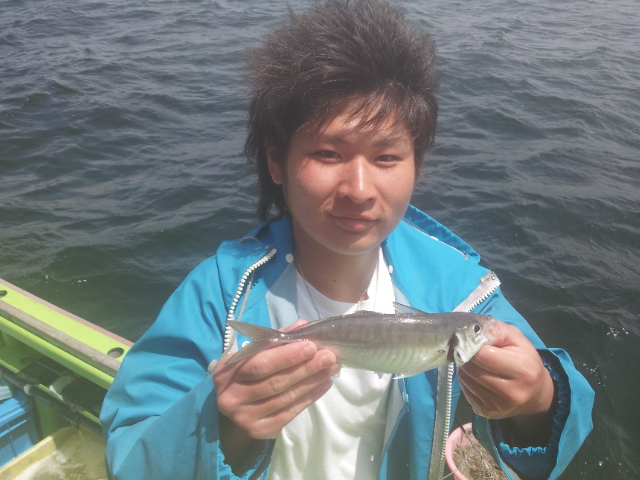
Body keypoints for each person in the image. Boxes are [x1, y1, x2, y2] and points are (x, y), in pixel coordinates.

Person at [100, 1, 594, 479]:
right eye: (328, 153)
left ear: (418, 164)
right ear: (275, 160)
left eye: (386, 158)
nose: (358, 190)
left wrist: (537, 400)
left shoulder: (461, 290)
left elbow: (565, 417)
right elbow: (129, 452)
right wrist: (220, 420)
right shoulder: (219, 295)